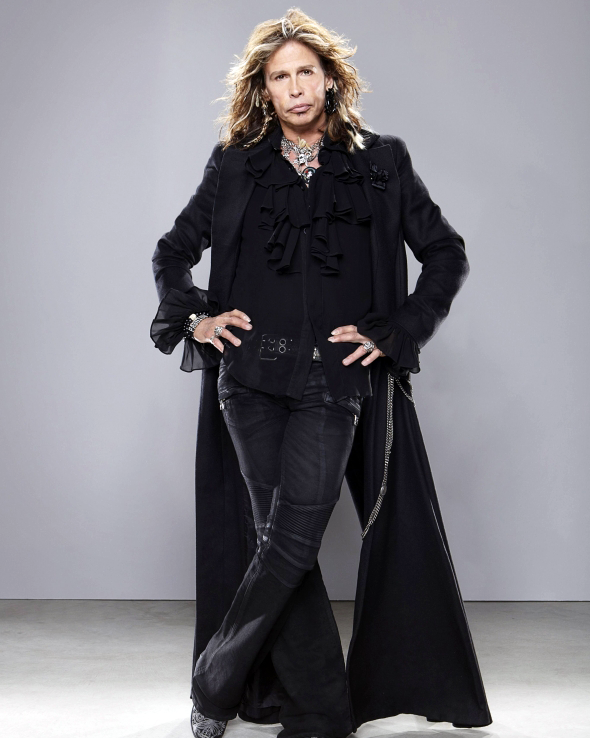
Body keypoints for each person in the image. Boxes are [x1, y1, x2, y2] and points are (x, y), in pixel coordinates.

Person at [150, 8, 493, 738]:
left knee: (291, 536)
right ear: (264, 90)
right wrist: (195, 318)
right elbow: (172, 251)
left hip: (333, 383)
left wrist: (399, 329)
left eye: (306, 71)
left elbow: (446, 252)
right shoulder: (235, 164)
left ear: (331, 79)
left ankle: (215, 682)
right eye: (280, 77)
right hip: (249, 381)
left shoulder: (380, 161)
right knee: (282, 539)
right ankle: (319, 713)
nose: (296, 87)